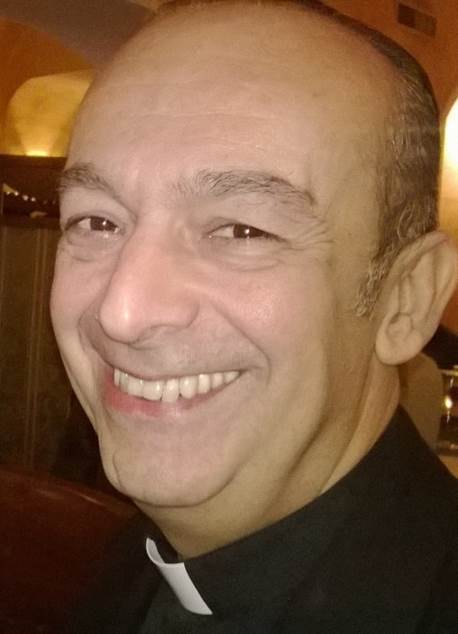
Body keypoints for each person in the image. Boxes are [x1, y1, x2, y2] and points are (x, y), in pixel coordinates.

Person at [50, 1, 458, 631]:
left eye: (242, 231)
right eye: (97, 221)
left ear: (406, 298)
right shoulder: (121, 566)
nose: (122, 312)